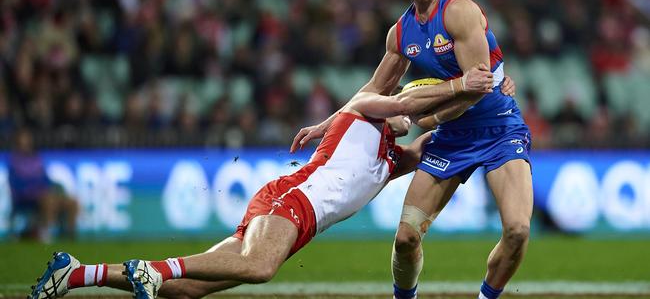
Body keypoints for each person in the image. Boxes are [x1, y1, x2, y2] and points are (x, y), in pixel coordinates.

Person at [29, 66, 507, 299]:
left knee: (189, 291)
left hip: (297, 218)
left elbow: (442, 135)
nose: (414, 114)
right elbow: (401, 104)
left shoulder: (391, 158)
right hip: (290, 200)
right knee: (258, 269)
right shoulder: (362, 110)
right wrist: (455, 86)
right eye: (413, 106)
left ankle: (74, 274)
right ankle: (155, 267)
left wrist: (486, 100)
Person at [290, 0, 532, 299]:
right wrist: (329, 122)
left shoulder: (459, 11)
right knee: (405, 238)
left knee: (516, 230)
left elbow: (476, 88)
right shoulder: (401, 32)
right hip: (452, 139)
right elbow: (374, 90)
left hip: (498, 129)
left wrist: (430, 119)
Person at [8, 128, 78, 242]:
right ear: (18, 143)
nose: (26, 144)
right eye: (23, 141)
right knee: (49, 201)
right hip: (27, 198)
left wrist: (53, 189)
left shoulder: (36, 159)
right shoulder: (15, 162)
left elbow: (46, 180)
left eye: (28, 140)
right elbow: (17, 184)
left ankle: (69, 235)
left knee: (72, 202)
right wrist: (36, 190)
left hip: (44, 195)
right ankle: (46, 234)